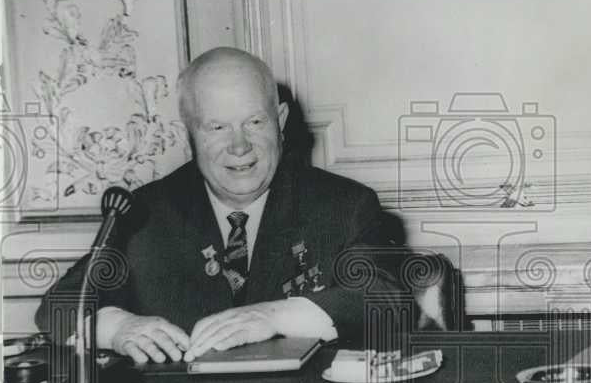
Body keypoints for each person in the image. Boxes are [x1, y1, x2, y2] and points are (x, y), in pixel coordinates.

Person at [36, 47, 411, 363]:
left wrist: (274, 316)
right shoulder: (144, 212)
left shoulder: (345, 205)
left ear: (280, 121)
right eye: (217, 127)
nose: (238, 146)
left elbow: (387, 299)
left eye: (254, 122)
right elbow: (60, 306)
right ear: (191, 134)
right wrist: (119, 328)